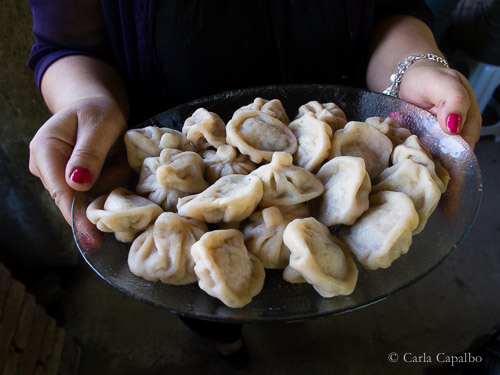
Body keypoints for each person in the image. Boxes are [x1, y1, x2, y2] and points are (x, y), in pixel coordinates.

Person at [26, 0, 482, 367]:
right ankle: (226, 344)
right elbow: (65, 43)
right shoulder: (180, 191)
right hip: (181, 136)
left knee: (297, 285)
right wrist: (88, 101)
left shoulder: (323, 187)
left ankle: (276, 326)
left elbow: (392, 8)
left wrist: (413, 69)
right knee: (207, 302)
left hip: (332, 128)